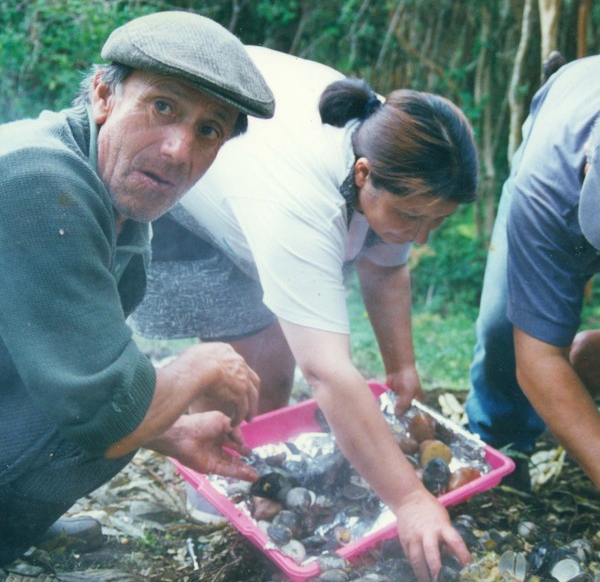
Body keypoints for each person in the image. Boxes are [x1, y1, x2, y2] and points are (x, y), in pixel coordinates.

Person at [130, 46, 479, 581]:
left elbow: (385, 269)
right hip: (187, 194)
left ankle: (232, 474)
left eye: (436, 222)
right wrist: (409, 501)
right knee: (247, 367)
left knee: (270, 372)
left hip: (258, 184)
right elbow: (329, 372)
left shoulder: (399, 146)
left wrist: (402, 367)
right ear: (362, 175)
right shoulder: (300, 200)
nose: (420, 235)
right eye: (412, 217)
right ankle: (207, 499)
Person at [0, 10, 277, 566]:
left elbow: (68, 364)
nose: (179, 150)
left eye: (209, 130)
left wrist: (170, 433)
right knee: (110, 421)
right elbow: (104, 411)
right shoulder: (43, 179)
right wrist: (201, 364)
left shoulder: (124, 207)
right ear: (103, 95)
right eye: (163, 106)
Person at [466, 55, 600, 491]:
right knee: (504, 324)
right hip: (555, 160)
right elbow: (538, 360)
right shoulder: (545, 191)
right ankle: (503, 443)